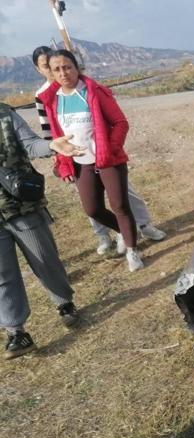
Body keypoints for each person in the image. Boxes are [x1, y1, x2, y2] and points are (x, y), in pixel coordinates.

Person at [32, 46, 165, 257]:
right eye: (51, 68)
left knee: (123, 199)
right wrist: (60, 160)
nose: (58, 72)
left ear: (75, 67)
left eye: (65, 67)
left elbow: (119, 122)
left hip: (107, 158)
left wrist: (110, 149)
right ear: (42, 69)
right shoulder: (45, 97)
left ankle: (140, 230)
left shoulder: (90, 89)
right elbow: (51, 134)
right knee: (92, 206)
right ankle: (113, 234)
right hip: (79, 161)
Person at [0, 101, 83, 358]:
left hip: (20, 204)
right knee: (2, 275)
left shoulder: (5, 115)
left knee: (44, 259)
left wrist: (51, 145)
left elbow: (30, 143)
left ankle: (64, 302)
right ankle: (16, 331)